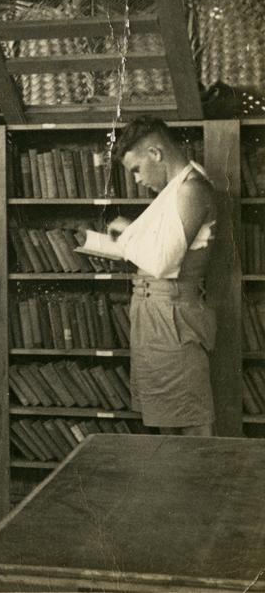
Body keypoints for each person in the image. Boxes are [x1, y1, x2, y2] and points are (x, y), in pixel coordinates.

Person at [105, 116, 217, 436]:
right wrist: (128, 237)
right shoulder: (174, 191)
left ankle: (198, 487)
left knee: (191, 423)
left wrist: (125, 238)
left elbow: (162, 262)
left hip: (172, 316)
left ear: (155, 153)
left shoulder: (191, 190)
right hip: (156, 314)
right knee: (166, 422)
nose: (138, 180)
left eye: (137, 169)